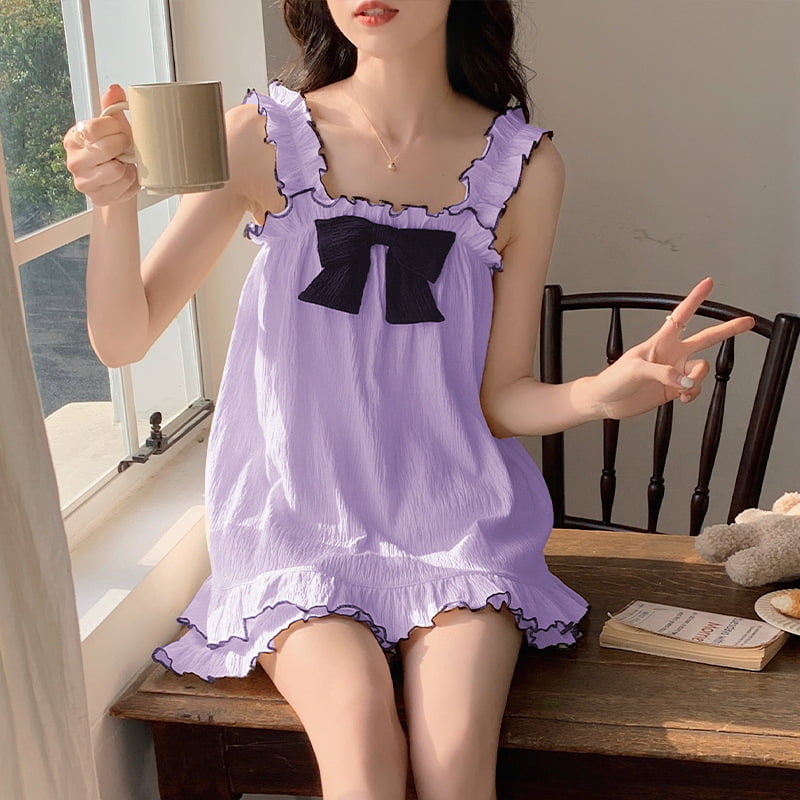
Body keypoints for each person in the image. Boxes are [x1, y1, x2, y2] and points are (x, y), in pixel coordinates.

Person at [63, 2, 755, 798]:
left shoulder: (522, 167)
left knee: (457, 765)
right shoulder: (262, 136)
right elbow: (124, 338)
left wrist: (600, 394)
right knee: (359, 745)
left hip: (458, 526)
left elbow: (501, 400)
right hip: (296, 529)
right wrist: (112, 204)